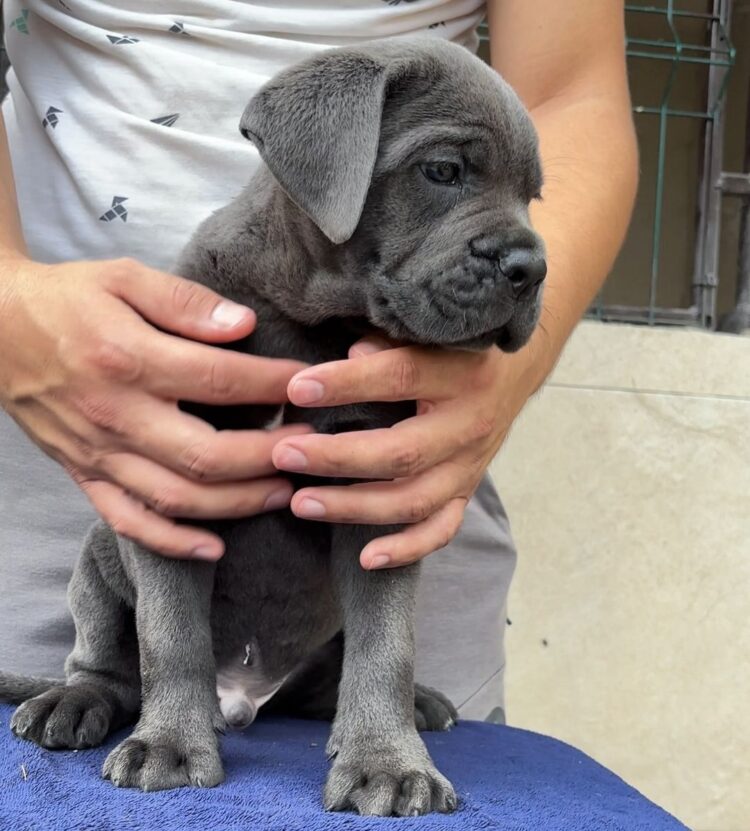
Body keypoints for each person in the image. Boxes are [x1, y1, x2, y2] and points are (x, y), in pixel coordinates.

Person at [0, 1, 637, 722]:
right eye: (444, 171)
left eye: (523, 200)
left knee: (407, 775)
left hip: (402, 528)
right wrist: (7, 305)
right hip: (46, 453)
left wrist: (504, 375)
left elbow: (572, 92)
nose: (523, 245)